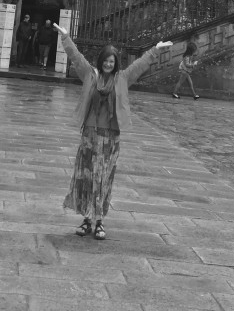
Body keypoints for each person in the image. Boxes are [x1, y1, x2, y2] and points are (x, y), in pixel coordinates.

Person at [54, 22, 172, 240]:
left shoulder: (122, 78)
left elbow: (140, 64)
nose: (109, 64)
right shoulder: (90, 75)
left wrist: (155, 49)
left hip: (110, 137)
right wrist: (66, 38)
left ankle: (100, 221)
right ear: (101, 61)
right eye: (106, 61)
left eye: (112, 61)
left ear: (116, 64)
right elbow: (76, 57)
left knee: (103, 178)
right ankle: (86, 219)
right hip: (90, 134)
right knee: (87, 177)